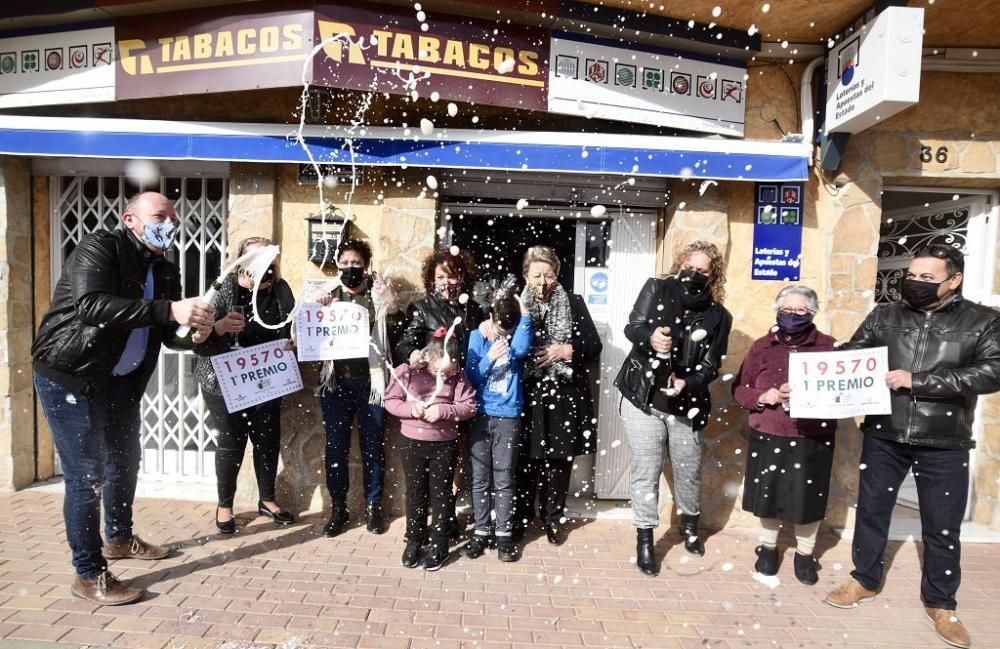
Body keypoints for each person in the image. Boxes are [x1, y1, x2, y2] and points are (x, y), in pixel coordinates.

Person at [31, 191, 214, 605]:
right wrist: (170, 311)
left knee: (125, 460)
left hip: (119, 383)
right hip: (71, 376)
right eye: (159, 215)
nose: (169, 222)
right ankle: (89, 574)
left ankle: (118, 537)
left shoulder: (165, 271)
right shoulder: (100, 247)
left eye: (173, 216)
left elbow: (170, 335)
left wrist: (205, 331)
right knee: (87, 475)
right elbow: (92, 306)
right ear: (130, 220)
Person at [824, 245, 1000, 649]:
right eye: (912, 275)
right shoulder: (886, 316)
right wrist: (821, 367)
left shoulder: (983, 321)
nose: (915, 283)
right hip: (885, 433)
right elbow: (856, 353)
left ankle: (941, 603)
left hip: (944, 439)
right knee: (871, 511)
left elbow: (992, 371)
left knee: (942, 524)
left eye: (927, 278)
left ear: (953, 280)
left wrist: (919, 380)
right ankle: (863, 579)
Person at [614, 240, 732, 576]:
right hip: (643, 396)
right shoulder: (657, 288)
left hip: (687, 403)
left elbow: (711, 366)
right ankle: (645, 539)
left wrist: (687, 383)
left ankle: (690, 526)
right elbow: (632, 326)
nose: (693, 274)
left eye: (702, 271)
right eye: (689, 267)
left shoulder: (718, 316)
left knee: (687, 469)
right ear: (679, 264)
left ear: (713, 276)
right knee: (646, 470)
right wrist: (649, 337)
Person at [731, 285, 837, 585]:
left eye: (800, 310)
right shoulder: (761, 347)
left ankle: (805, 554)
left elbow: (842, 392)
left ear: (813, 313)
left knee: (809, 498)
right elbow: (739, 389)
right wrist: (764, 397)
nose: (792, 315)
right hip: (769, 431)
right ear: (777, 311)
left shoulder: (828, 347)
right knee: (769, 495)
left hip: (813, 435)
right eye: (787, 309)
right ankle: (767, 548)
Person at [193, 236, 297, 534]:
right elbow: (193, 339)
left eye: (265, 256)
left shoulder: (280, 288)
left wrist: (292, 342)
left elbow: (291, 326)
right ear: (240, 260)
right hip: (224, 381)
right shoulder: (223, 288)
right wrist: (218, 328)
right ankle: (225, 505)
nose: (259, 263)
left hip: (267, 378)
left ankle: (267, 500)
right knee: (231, 442)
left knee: (267, 439)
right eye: (251, 257)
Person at [512, 246, 602, 546]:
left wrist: (565, 350)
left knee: (558, 461)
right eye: (536, 274)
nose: (542, 281)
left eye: (548, 275)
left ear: (557, 275)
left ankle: (552, 519)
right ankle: (523, 518)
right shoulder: (516, 304)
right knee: (526, 458)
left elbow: (593, 345)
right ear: (525, 277)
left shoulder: (574, 302)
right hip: (528, 390)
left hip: (564, 392)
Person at [316, 239, 404, 537]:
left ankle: (373, 507)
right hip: (335, 383)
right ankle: (338, 508)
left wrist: (391, 303)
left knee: (373, 447)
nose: (351, 269)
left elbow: (396, 331)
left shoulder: (376, 296)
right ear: (337, 265)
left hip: (372, 382)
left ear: (366, 266)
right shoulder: (326, 294)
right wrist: (318, 310)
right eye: (345, 263)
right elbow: (304, 333)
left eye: (357, 264)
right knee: (335, 448)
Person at [395, 248, 484, 534]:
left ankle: (448, 511)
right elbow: (404, 343)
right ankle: (435, 519)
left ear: (463, 276)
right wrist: (413, 354)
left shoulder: (474, 308)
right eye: (440, 277)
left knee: (460, 456)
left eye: (453, 275)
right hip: (440, 395)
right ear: (432, 280)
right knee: (443, 457)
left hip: (469, 391)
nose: (447, 282)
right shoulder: (422, 307)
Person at [384, 330, 478, 571]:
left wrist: (445, 411)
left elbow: (469, 406)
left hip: (444, 444)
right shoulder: (408, 371)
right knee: (415, 493)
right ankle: (414, 539)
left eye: (448, 371)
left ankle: (439, 544)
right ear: (429, 357)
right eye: (438, 370)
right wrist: (410, 408)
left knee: (442, 495)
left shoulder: (458, 376)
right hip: (412, 442)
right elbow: (390, 400)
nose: (443, 376)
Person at [463, 291, 533, 562]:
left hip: (508, 416)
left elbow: (524, 345)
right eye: (499, 327)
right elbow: (470, 377)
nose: (504, 333)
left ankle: (503, 534)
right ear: (490, 318)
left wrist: (523, 311)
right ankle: (481, 531)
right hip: (481, 415)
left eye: (509, 329)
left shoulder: (517, 336)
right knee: (480, 480)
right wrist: (489, 356)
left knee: (504, 479)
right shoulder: (477, 337)